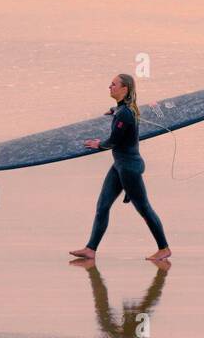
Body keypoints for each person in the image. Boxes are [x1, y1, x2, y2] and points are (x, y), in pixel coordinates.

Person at [69, 74, 171, 261]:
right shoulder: (123, 109)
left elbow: (113, 141)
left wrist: (98, 144)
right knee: (102, 206)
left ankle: (164, 248)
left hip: (129, 168)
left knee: (144, 209)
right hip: (120, 165)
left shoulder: (125, 114)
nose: (110, 86)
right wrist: (113, 110)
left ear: (124, 89)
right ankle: (90, 249)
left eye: (114, 84)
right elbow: (120, 112)